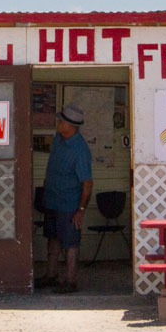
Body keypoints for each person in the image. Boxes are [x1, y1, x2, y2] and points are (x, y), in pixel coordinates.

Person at [37, 102, 93, 294]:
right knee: (52, 239)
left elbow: (87, 183)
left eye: (61, 121)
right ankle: (50, 275)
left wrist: (81, 210)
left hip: (69, 204)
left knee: (70, 243)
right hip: (52, 200)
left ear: (71, 125)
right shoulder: (58, 139)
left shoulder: (80, 150)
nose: (58, 123)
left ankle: (71, 280)